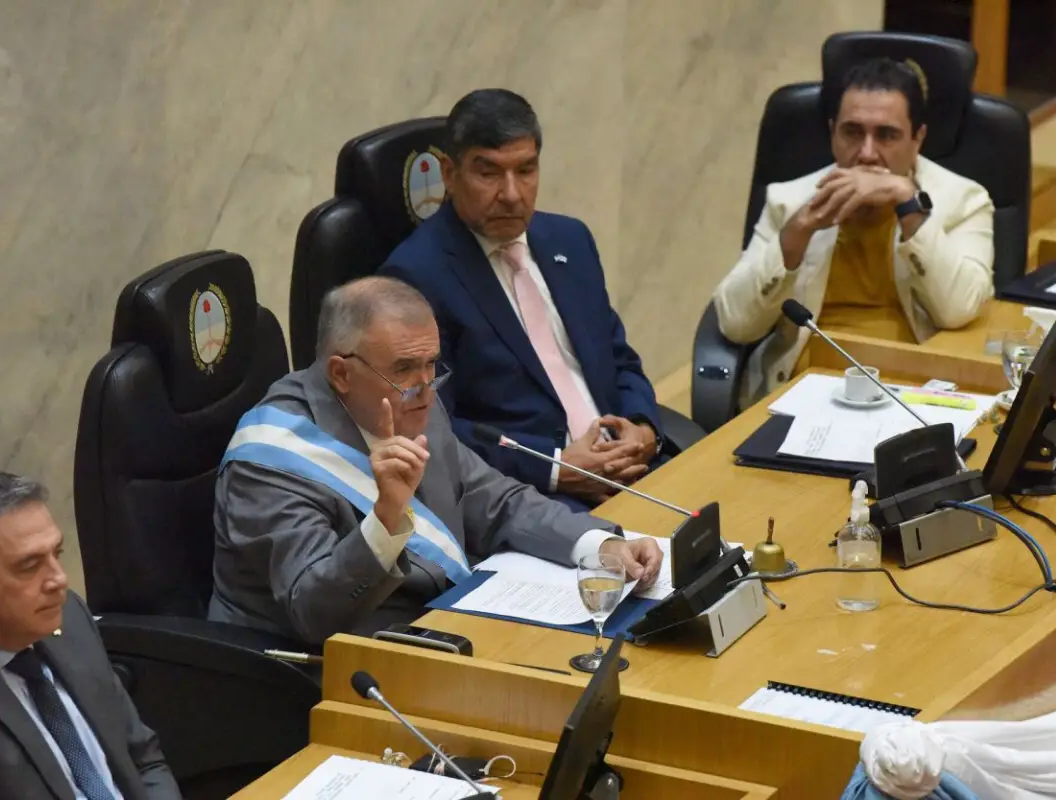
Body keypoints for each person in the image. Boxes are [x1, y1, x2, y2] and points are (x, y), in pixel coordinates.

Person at [208, 277, 662, 645]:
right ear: (341, 374)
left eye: (432, 365)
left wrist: (600, 547)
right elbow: (313, 612)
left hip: (442, 628)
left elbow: (493, 498)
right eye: (405, 369)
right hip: (327, 670)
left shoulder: (414, 399)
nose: (426, 387)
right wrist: (384, 519)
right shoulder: (271, 461)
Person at [381, 88, 662, 512]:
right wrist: (554, 468)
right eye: (489, 173)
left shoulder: (571, 240)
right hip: (537, 499)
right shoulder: (415, 279)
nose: (512, 194)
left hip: (634, 469)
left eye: (526, 170)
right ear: (448, 173)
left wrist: (642, 427)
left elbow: (618, 358)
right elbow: (429, 428)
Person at [713, 57, 995, 405]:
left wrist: (906, 203)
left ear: (917, 138)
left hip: (914, 392)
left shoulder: (963, 200)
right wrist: (798, 233)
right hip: (804, 391)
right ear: (833, 132)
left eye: (887, 135)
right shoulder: (788, 201)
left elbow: (958, 309)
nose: (866, 153)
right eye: (852, 132)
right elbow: (735, 324)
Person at [0, 471, 181, 800]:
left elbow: (143, 759)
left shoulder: (69, 619)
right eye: (29, 566)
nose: (59, 580)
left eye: (56, 554)